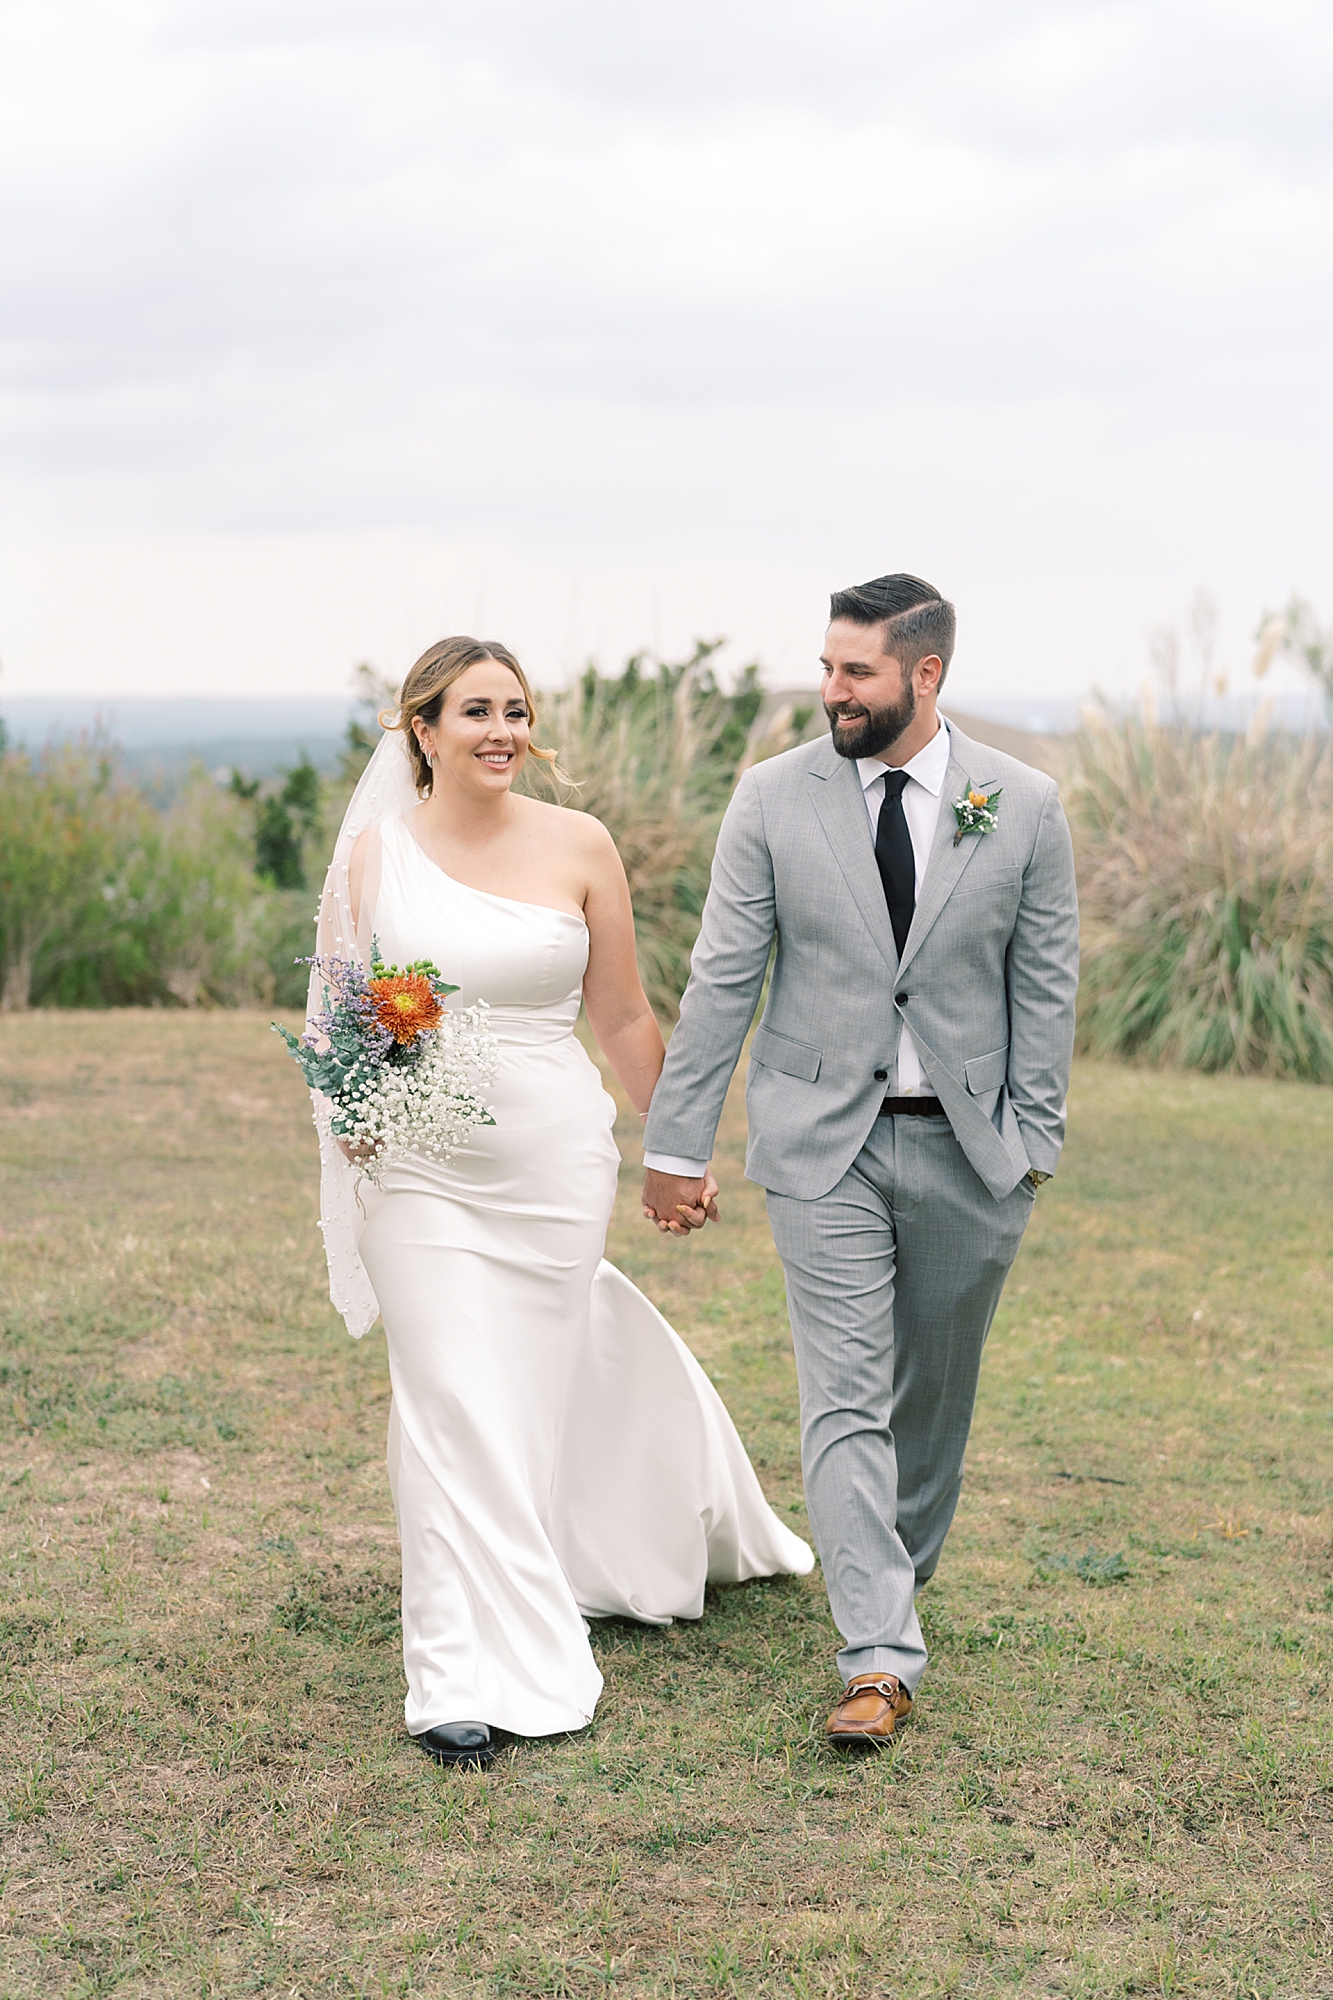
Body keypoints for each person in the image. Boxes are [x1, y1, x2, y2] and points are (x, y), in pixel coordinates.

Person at [307, 636, 812, 1770]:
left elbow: (625, 1017)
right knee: (445, 1400)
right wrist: (353, 1105)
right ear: (421, 730)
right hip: (420, 1171)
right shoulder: (375, 858)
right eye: (474, 709)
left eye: (516, 709)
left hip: (551, 1172)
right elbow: (341, 1018)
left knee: (520, 1404)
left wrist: (675, 1149)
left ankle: (569, 1553)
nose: (500, 729)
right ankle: (457, 1669)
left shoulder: (580, 845)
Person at [642, 574, 1079, 1747]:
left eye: (855, 672)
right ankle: (878, 1653)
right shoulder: (771, 797)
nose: (829, 689)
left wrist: (1032, 1142)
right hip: (819, 1145)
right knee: (842, 1397)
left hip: (970, 1149)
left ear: (923, 676)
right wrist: (675, 1143)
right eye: (826, 667)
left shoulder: (1021, 803)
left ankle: (892, 1572)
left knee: (931, 1397)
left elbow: (1044, 987)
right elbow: (723, 976)